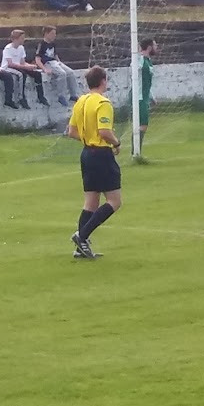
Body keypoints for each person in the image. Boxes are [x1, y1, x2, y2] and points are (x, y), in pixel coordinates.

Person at [68, 66, 124, 260]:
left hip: (86, 153)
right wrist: (116, 143)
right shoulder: (103, 102)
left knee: (91, 201)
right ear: (103, 81)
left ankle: (80, 248)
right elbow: (104, 132)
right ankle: (81, 237)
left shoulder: (81, 101)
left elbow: (72, 131)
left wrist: (87, 139)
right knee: (115, 201)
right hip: (101, 154)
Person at [34, 26, 84, 106]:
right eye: (52, 33)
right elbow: (37, 59)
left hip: (55, 62)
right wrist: (44, 69)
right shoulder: (41, 44)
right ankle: (61, 95)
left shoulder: (53, 43)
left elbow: (55, 55)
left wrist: (59, 62)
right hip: (48, 63)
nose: (54, 35)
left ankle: (73, 94)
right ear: (46, 34)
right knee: (62, 74)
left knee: (70, 72)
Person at [1, 29, 46, 107]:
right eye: (22, 38)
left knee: (37, 74)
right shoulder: (8, 49)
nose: (23, 40)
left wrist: (30, 66)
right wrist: (25, 67)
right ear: (16, 39)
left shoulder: (21, 48)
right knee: (21, 74)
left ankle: (41, 96)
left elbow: (22, 62)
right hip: (8, 68)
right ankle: (21, 97)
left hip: (19, 66)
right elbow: (10, 64)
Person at [134, 38, 157, 156]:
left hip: (144, 96)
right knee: (142, 125)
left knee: (143, 125)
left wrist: (151, 97)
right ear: (149, 47)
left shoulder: (148, 61)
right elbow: (134, 69)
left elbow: (147, 81)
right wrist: (138, 53)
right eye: (155, 45)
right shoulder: (141, 60)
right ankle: (136, 152)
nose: (156, 47)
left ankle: (136, 152)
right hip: (139, 97)